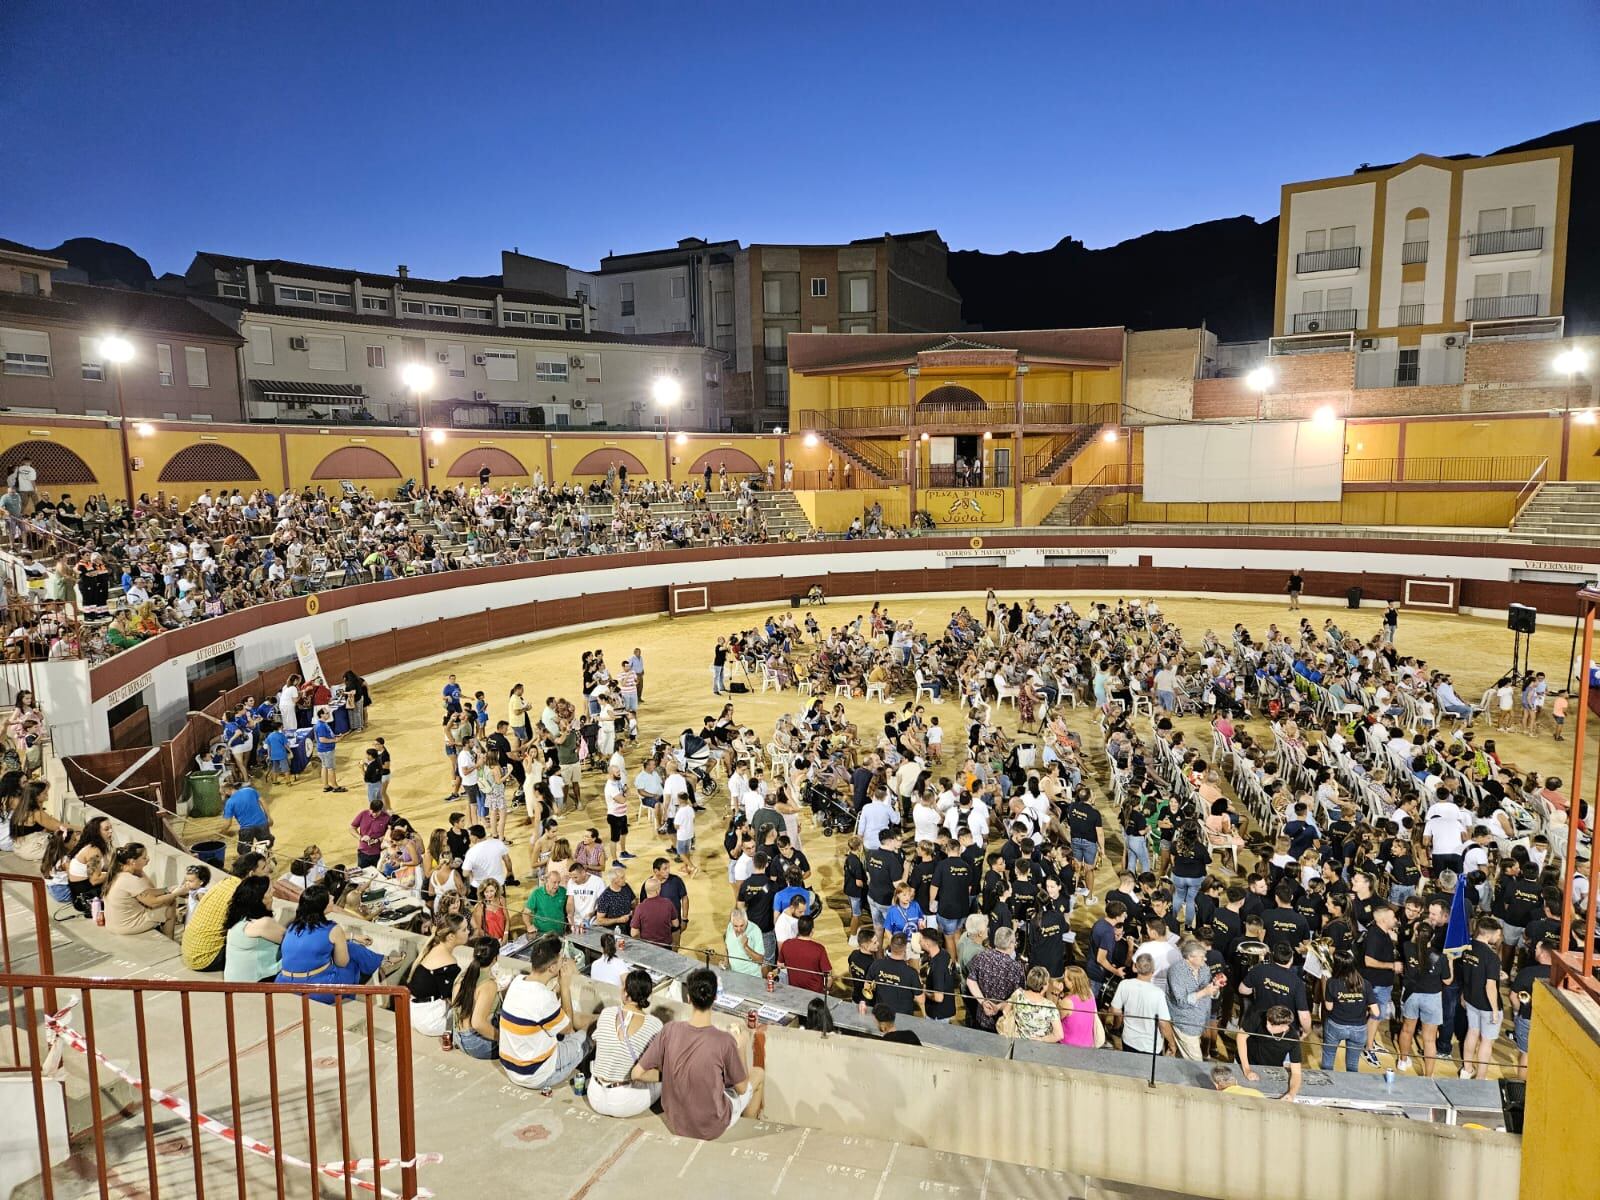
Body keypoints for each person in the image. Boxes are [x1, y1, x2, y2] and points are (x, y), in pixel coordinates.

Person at [631, 967, 764, 1139]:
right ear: (715, 998)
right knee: (758, 1074)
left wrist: (672, 1074)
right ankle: (746, 1131)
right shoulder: (724, 1041)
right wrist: (742, 1047)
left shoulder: (670, 1030)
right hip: (711, 1125)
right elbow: (741, 1088)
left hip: (677, 1121)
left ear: (688, 998)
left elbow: (637, 1073)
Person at [500, 934, 593, 1088]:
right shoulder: (543, 998)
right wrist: (565, 985)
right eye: (561, 959)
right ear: (551, 967)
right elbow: (568, 1029)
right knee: (590, 1031)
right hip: (537, 1075)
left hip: (512, 1068)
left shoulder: (517, 982)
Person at [275, 885, 386, 1003]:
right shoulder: (332, 928)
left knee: (349, 947)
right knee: (352, 958)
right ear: (322, 906)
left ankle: (380, 961)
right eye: (329, 897)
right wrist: (347, 941)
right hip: (314, 989)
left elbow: (315, 939)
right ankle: (349, 1001)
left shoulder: (293, 926)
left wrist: (351, 936)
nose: (333, 897)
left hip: (283, 983)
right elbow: (342, 962)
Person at [588, 968, 664, 1118]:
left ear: (625, 993)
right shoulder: (655, 1025)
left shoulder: (607, 1012)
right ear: (648, 995)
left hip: (594, 1095)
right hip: (624, 1103)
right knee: (664, 1078)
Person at [183, 852, 270, 972]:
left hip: (190, 951)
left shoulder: (224, 882)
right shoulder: (242, 893)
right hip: (205, 959)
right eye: (264, 868)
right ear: (251, 874)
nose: (268, 870)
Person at [102, 844, 196, 938]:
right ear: (132, 861)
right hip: (126, 926)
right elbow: (152, 902)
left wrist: (167, 890)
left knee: (167, 898)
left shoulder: (118, 873)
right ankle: (169, 939)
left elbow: (148, 891)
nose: (148, 859)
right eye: (144, 858)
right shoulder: (130, 879)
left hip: (113, 924)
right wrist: (176, 893)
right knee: (170, 904)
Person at [405, 914, 468, 1038]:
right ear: (451, 937)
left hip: (414, 1014)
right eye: (464, 929)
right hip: (429, 1022)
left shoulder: (434, 948)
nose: (468, 932)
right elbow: (456, 999)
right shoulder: (449, 962)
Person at [1165, 939, 1222, 1061]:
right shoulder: (1176, 972)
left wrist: (1215, 988)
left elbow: (1208, 991)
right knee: (1196, 1061)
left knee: (1184, 1057)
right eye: (1202, 957)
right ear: (1190, 957)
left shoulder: (1204, 968)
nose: (1205, 959)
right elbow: (1181, 1000)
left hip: (1201, 1021)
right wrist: (1204, 992)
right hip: (1185, 1023)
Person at [222, 875, 286, 983]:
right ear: (261, 898)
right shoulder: (262, 924)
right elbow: (294, 942)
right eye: (270, 890)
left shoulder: (239, 918)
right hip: (256, 982)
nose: (274, 891)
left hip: (235, 981)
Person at [1321, 954, 1378, 1072]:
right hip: (1359, 1028)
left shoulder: (1332, 982)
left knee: (1328, 1059)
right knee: (1352, 1065)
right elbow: (1376, 1012)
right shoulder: (1365, 983)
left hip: (1336, 1026)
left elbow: (1329, 1007)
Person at [1110, 953, 1175, 1056]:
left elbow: (1115, 1010)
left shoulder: (1124, 984)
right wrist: (1172, 1044)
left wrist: (1118, 1024)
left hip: (1128, 1040)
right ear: (1153, 971)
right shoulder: (1158, 993)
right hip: (1151, 1046)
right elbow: (1163, 1023)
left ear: (1134, 967)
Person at [449, 936, 503, 1059]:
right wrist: (502, 1038)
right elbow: (478, 1023)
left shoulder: (464, 975)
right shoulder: (489, 985)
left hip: (459, 1037)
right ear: (495, 958)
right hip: (477, 1045)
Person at [1236, 1005, 1303, 1102]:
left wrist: (1291, 1093)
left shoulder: (1292, 1039)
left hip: (1269, 1072)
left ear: (1284, 1027)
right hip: (1244, 1062)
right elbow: (1241, 1036)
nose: (1267, 1025)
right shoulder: (1259, 1015)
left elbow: (1296, 1073)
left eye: (1271, 1025)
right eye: (1267, 1021)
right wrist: (1246, 1069)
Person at [1002, 966, 1064, 1042]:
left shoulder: (1018, 994)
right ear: (1044, 986)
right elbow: (1059, 1035)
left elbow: (1005, 1011)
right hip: (1040, 1047)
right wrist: (1041, 1039)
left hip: (1019, 1042)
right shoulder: (1050, 1006)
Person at [777, 914, 832, 993]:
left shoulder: (786, 944)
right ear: (812, 931)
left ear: (798, 929)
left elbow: (780, 965)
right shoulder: (819, 949)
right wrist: (826, 990)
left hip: (794, 990)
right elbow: (828, 977)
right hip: (815, 993)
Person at [219, 780, 272, 856]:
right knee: (265, 847)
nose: (222, 796)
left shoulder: (230, 803)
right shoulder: (249, 790)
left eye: (222, 794)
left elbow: (228, 824)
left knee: (244, 853)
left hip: (246, 829)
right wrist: (269, 818)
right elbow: (263, 802)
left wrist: (221, 833)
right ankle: (268, 861)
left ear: (227, 791)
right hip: (262, 824)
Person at [313, 706, 343, 793]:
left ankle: (326, 785)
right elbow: (322, 739)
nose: (328, 714)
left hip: (323, 750)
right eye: (326, 713)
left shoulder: (322, 723)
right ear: (321, 715)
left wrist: (336, 737)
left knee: (325, 767)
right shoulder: (321, 726)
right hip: (326, 750)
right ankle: (335, 786)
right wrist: (335, 740)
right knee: (331, 768)